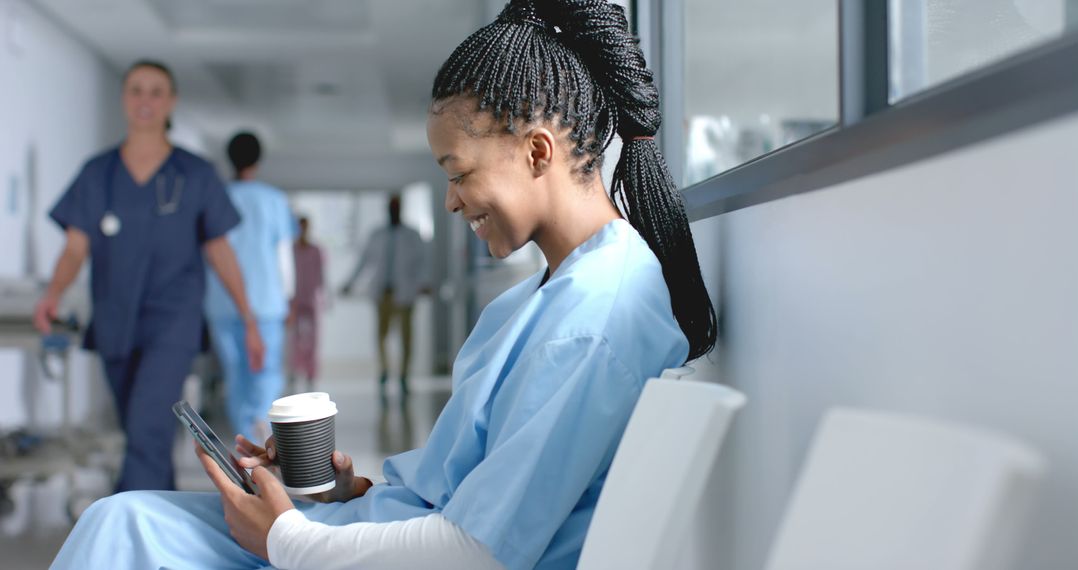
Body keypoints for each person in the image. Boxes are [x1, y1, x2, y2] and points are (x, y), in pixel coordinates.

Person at [50, 1, 718, 568]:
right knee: (125, 521)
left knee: (125, 529)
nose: (451, 202)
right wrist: (340, 490)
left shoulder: (596, 317)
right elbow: (453, 491)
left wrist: (287, 538)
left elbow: (477, 550)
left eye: (458, 172)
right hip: (364, 528)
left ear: (538, 151)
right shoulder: (544, 297)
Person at [33, 60, 264, 492]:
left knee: (146, 429)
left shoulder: (194, 174)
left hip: (172, 320)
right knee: (145, 432)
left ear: (170, 102)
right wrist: (52, 294)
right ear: (124, 99)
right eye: (136, 90)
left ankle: (125, 536)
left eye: (156, 91)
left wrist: (249, 319)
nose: (145, 100)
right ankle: (160, 523)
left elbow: (221, 251)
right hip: (115, 317)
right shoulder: (97, 173)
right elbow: (75, 247)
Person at [205, 132, 295, 443]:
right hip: (267, 302)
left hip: (222, 301)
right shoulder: (273, 200)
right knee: (265, 375)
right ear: (258, 160)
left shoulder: (216, 198)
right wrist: (289, 297)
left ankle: (245, 438)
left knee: (236, 376)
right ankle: (261, 435)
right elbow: (283, 255)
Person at [340, 194, 428, 396]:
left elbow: (423, 262)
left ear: (401, 209)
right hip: (383, 293)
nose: (393, 210)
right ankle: (385, 370)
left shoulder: (412, 235)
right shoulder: (376, 235)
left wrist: (424, 283)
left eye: (396, 206)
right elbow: (364, 262)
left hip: (405, 293)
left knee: (406, 337)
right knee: (381, 335)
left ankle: (404, 375)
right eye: (391, 207)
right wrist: (350, 283)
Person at [288, 216, 327, 391]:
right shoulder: (291, 250)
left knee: (313, 339)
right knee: (295, 339)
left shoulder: (316, 250)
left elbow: (321, 277)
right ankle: (296, 370)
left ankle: (311, 372)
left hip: (311, 299)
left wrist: (324, 299)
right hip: (294, 300)